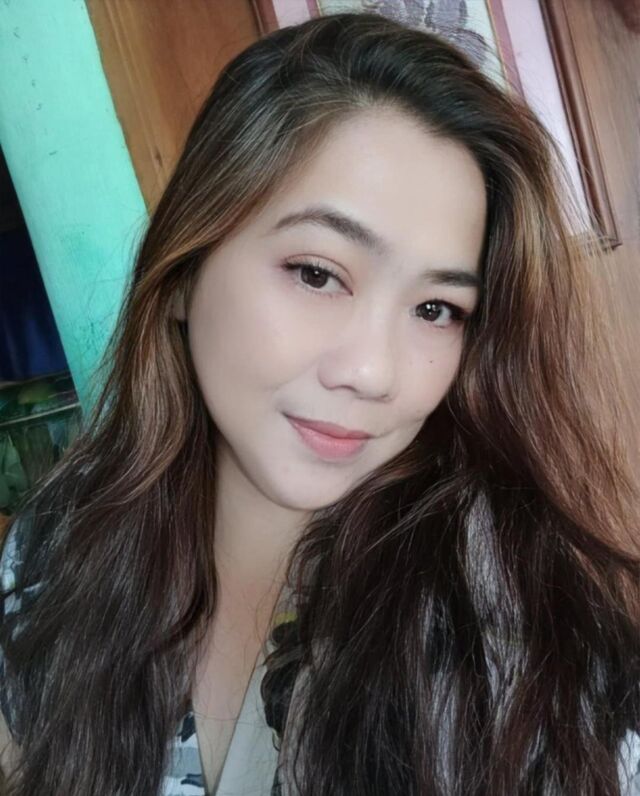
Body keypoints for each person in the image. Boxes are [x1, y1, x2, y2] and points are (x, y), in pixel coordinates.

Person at [0, 10, 639, 796]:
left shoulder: (516, 643)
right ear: (188, 269)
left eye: (436, 308)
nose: (373, 372)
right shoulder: (60, 543)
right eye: (317, 273)